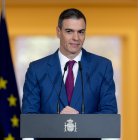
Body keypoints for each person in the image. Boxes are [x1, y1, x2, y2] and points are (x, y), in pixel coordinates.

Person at [22, 8, 118, 139]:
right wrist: (58, 123)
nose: (76, 38)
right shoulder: (36, 69)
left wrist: (79, 121)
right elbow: (29, 118)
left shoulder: (102, 67)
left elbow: (109, 116)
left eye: (81, 32)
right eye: (69, 31)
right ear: (58, 32)